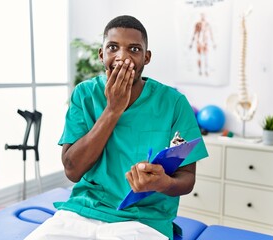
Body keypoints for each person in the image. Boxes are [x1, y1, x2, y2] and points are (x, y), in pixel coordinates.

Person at [25, 15, 208, 240]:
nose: (123, 58)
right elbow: (72, 171)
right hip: (81, 213)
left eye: (134, 49)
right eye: (113, 47)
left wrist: (163, 182)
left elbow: (187, 179)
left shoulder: (174, 103)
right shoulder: (85, 95)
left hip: (143, 220)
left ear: (146, 57)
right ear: (102, 55)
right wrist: (113, 109)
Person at [189, 12, 216, 76]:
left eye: (204, 16)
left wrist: (213, 43)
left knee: (206, 57)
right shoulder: (197, 24)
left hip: (205, 42)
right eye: (202, 16)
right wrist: (191, 43)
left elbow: (211, 34)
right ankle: (200, 70)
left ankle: (206, 70)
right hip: (199, 42)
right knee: (199, 57)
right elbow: (194, 33)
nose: (203, 17)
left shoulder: (207, 24)